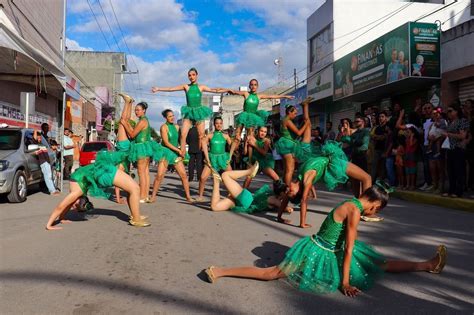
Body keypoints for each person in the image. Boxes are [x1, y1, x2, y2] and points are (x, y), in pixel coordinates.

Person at [204, 183, 447, 297]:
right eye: (378, 210)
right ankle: (220, 270)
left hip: (330, 247)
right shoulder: (354, 211)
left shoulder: (353, 204)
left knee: (379, 263)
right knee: (273, 273)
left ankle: (428, 265)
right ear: (373, 203)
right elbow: (350, 248)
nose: (375, 214)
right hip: (321, 250)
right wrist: (344, 283)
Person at [45, 150, 150, 230]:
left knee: (131, 189)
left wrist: (50, 224)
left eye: (75, 206)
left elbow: (61, 206)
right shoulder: (76, 191)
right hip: (104, 173)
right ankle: (136, 218)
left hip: (103, 171)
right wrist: (61, 218)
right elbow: (65, 205)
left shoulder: (76, 192)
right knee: (135, 189)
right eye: (76, 206)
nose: (73, 206)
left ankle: (135, 216)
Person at [276, 141, 371, 228]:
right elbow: (303, 200)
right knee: (367, 178)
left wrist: (279, 217)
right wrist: (302, 223)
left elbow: (286, 198)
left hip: (330, 159)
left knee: (356, 179)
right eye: (290, 192)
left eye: (287, 190)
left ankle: (361, 208)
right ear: (297, 192)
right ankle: (367, 211)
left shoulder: (298, 179)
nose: (288, 189)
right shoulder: (306, 180)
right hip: (334, 164)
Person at [151, 68, 230, 158]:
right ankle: (182, 154)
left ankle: (201, 155)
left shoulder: (201, 87)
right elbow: (171, 89)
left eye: (193, 75)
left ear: (197, 75)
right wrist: (159, 89)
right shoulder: (186, 87)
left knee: (201, 135)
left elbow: (215, 90)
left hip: (199, 112)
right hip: (189, 112)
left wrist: (228, 90)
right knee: (183, 135)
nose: (191, 77)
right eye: (189, 75)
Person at [228, 79, 294, 163]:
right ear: (249, 86)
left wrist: (285, 96)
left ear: (257, 86)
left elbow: (272, 96)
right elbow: (234, 92)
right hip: (244, 116)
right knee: (237, 137)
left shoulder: (259, 96)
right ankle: (229, 157)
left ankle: (250, 160)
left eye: (255, 85)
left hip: (252, 118)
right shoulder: (246, 94)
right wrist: (227, 90)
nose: (253, 86)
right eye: (251, 85)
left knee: (250, 139)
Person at [209, 162, 292, 214]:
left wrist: (287, 208)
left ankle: (249, 171)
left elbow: (282, 206)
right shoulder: (275, 199)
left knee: (215, 207)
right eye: (287, 193)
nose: (288, 195)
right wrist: (288, 208)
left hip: (246, 200)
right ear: (281, 193)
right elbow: (282, 206)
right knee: (224, 176)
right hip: (245, 201)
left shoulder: (273, 197)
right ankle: (249, 171)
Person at [149, 109, 194, 203]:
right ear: (165, 117)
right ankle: (153, 197)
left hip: (174, 154)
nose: (172, 117)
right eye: (169, 116)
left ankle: (188, 197)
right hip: (165, 152)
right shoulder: (163, 127)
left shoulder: (177, 127)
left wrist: (182, 150)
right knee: (159, 176)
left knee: (184, 176)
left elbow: (182, 139)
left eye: (173, 115)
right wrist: (178, 150)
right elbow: (166, 142)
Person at [120, 102, 157, 202]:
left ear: (144, 110)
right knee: (145, 173)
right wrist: (127, 124)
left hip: (141, 148)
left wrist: (124, 123)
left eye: (138, 110)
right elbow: (135, 133)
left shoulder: (142, 121)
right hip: (145, 147)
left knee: (142, 173)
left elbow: (132, 135)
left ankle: (142, 196)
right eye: (135, 110)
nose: (136, 112)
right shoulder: (144, 120)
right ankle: (145, 196)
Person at [275, 97, 314, 186]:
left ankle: (284, 187)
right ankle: (287, 189)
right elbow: (299, 133)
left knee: (286, 169)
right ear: (289, 112)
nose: (295, 115)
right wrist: (307, 124)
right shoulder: (287, 120)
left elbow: (294, 133)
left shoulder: (284, 120)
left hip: (285, 144)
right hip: (288, 145)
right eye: (295, 113)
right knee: (290, 170)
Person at [198, 117, 232, 200]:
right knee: (202, 178)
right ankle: (200, 196)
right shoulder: (210, 135)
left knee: (231, 177)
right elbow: (202, 147)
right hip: (212, 159)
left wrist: (236, 142)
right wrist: (201, 139)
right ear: (214, 124)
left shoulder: (226, 136)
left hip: (223, 158)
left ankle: (231, 195)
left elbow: (233, 146)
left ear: (222, 124)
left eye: (220, 123)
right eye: (217, 123)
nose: (219, 125)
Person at [442, 104, 470, 198]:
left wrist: (448, 134)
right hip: (450, 149)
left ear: (456, 111)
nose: (448, 113)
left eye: (450, 111)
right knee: (451, 171)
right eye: (448, 111)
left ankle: (459, 192)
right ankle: (451, 190)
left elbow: (462, 136)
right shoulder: (450, 122)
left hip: (458, 149)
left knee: (459, 171)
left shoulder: (462, 121)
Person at [114, 93, 134, 204]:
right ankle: (128, 102)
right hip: (124, 148)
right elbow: (117, 184)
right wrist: (118, 199)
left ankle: (129, 102)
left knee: (124, 121)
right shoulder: (122, 168)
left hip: (125, 148)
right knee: (123, 121)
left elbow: (118, 184)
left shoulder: (124, 168)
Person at [30, 130, 59, 195]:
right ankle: (52, 191)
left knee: (49, 176)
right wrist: (35, 130)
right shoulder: (35, 143)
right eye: (38, 137)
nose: (40, 139)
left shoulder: (41, 144)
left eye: (40, 137)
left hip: (47, 162)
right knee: (48, 176)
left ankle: (53, 189)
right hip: (43, 162)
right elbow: (34, 137)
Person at [427, 107, 447, 194]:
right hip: (432, 148)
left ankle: (441, 186)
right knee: (432, 168)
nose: (435, 115)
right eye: (433, 114)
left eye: (436, 113)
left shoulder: (443, 122)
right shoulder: (431, 124)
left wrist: (437, 138)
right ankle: (434, 185)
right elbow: (428, 136)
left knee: (440, 168)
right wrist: (429, 137)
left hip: (440, 147)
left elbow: (445, 134)